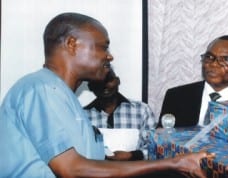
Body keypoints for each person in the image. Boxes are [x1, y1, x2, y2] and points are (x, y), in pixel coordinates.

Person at [0, 12, 211, 178]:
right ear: (72, 44)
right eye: (103, 46)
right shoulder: (42, 89)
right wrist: (174, 163)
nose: (109, 55)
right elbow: (72, 169)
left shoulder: (64, 98)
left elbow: (95, 163)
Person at [84, 68, 157, 161]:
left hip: (135, 173)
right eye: (98, 83)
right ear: (90, 87)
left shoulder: (142, 110)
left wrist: (132, 155)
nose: (105, 86)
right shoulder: (83, 116)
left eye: (109, 80)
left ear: (117, 81)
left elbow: (154, 148)